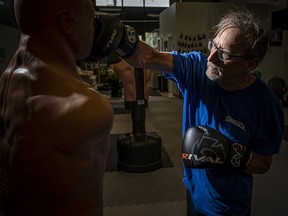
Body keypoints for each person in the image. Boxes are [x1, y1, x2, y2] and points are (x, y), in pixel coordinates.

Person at [122, 8, 284, 216]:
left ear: (250, 64)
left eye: (224, 54)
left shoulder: (264, 104)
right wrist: (118, 40)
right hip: (194, 194)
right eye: (213, 46)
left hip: (228, 206)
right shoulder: (197, 68)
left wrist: (229, 155)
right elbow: (144, 58)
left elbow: (264, 163)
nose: (212, 58)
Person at [0, 0, 114, 215]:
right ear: (68, 22)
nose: (94, 30)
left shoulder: (5, 86)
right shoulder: (85, 106)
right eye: (90, 21)